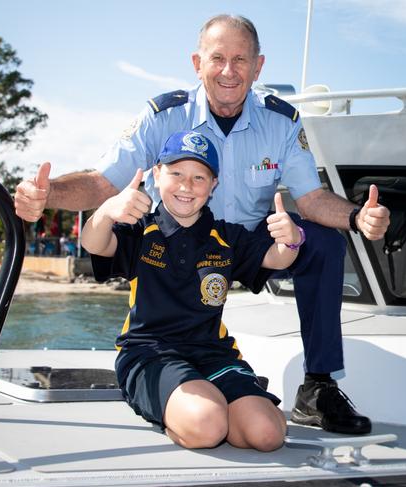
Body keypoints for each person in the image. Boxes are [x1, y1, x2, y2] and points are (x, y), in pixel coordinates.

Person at [15, 14, 391, 435]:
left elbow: (312, 199)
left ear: (258, 66)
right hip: (176, 243)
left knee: (323, 242)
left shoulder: (282, 120)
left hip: (245, 245)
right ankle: (164, 381)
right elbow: (103, 182)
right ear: (198, 63)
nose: (229, 71)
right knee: (203, 404)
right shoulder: (162, 116)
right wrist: (48, 196)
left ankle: (318, 388)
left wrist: (358, 217)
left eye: (240, 59)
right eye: (217, 58)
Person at [82, 131, 302, 450]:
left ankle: (226, 405)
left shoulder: (227, 236)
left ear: (213, 185)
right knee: (208, 424)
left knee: (267, 434)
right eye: (176, 174)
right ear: (157, 175)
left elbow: (277, 256)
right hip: (149, 353)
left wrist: (292, 238)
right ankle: (187, 414)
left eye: (199, 177)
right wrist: (105, 212)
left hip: (213, 353)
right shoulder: (141, 231)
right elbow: (95, 243)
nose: (187, 186)